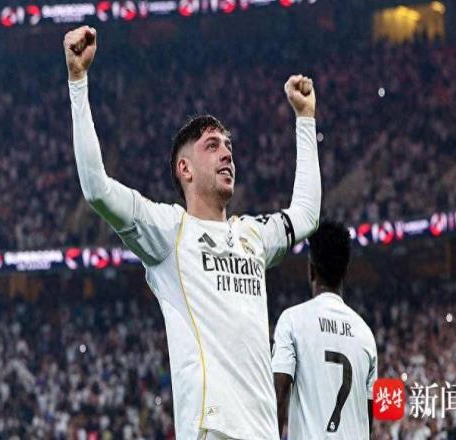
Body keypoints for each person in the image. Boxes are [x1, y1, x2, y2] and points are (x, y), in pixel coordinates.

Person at [64, 25, 321, 440]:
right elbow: (96, 188)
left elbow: (306, 215)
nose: (226, 154)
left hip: (264, 432)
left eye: (228, 147)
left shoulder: (253, 236)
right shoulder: (169, 232)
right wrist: (78, 81)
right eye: (212, 145)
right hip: (211, 429)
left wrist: (305, 120)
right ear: (184, 169)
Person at [272, 220, 377, 439]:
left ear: (311, 270)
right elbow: (367, 420)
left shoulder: (292, 321)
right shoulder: (366, 334)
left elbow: (279, 397)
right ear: (345, 272)